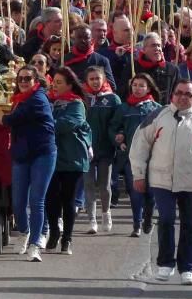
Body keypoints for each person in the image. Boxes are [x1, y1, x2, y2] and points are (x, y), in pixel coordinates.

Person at [129, 80, 192, 285]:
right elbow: (140, 144)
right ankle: (165, 264)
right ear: (172, 95)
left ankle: (187, 268)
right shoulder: (158, 116)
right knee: (166, 219)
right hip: (161, 179)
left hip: (191, 181)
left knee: (190, 224)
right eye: (179, 93)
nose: (182, 97)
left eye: (188, 94)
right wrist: (139, 174)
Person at [0, 65, 55, 262]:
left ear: (36, 81)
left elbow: (11, 120)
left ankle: (35, 244)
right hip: (21, 154)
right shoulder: (19, 100)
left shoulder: (37, 99)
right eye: (20, 79)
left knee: (36, 200)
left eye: (27, 79)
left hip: (42, 154)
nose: (23, 82)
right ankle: (23, 232)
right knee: (18, 201)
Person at [44, 68, 92, 256]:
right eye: (54, 82)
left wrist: (46, 125)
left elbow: (69, 123)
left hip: (72, 156)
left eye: (59, 82)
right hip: (52, 155)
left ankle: (68, 238)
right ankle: (55, 229)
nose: (55, 86)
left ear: (69, 85)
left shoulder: (76, 103)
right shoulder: (49, 101)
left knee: (68, 199)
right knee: (51, 197)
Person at [109, 73, 162, 236]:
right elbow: (113, 127)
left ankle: (148, 217)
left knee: (151, 193)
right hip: (131, 157)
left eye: (142, 85)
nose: (137, 88)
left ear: (148, 88)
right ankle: (136, 223)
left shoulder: (157, 108)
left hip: (154, 157)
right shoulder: (123, 108)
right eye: (135, 85)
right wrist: (118, 139)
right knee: (135, 191)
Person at [83, 66, 120, 234]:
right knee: (88, 184)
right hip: (86, 148)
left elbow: (117, 123)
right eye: (91, 79)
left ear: (104, 79)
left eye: (98, 78)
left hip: (105, 148)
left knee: (105, 185)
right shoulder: (83, 98)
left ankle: (106, 213)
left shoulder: (112, 99)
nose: (95, 82)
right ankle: (92, 219)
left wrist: (117, 139)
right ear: (87, 81)